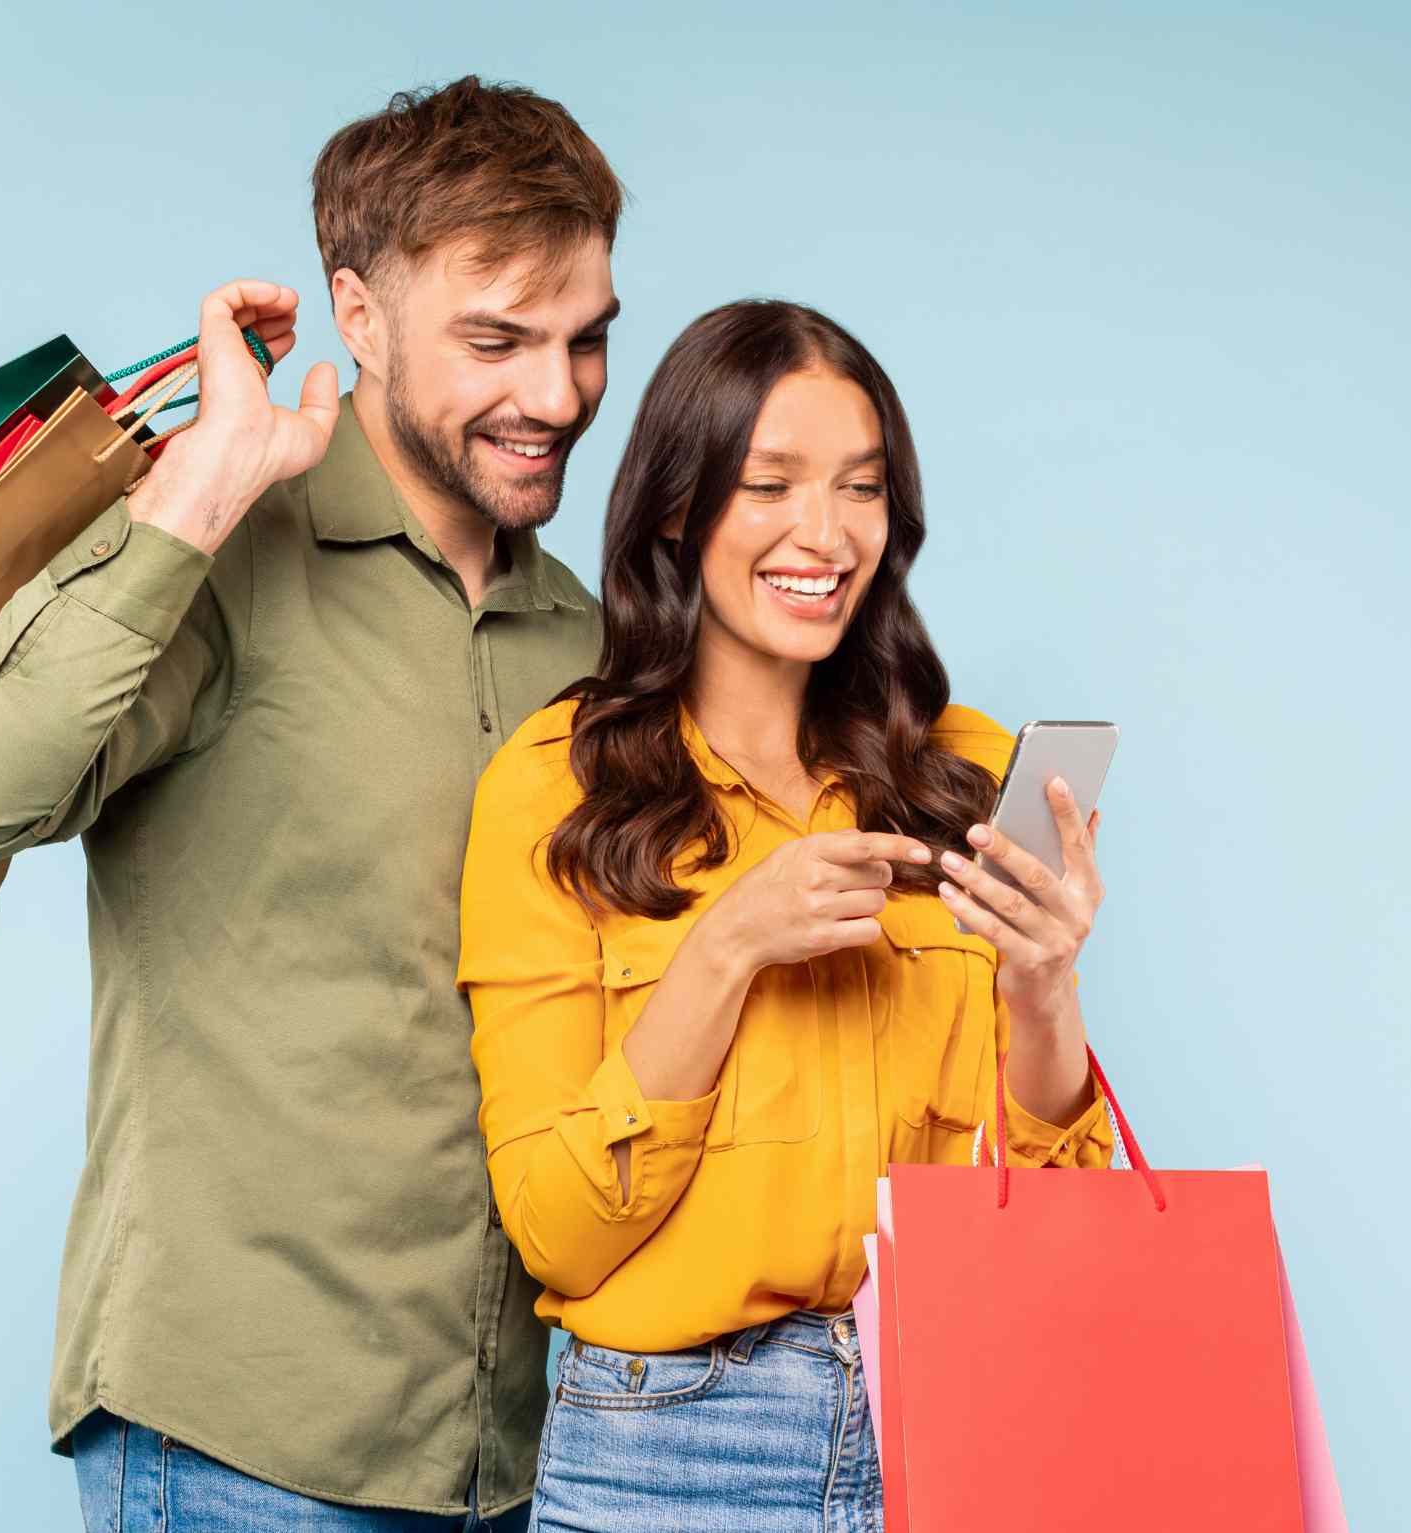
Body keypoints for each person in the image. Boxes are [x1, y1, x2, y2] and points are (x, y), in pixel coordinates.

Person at [0, 77, 621, 1531]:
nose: (556, 396)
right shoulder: (216, 556)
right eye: (497, 341)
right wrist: (199, 492)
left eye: (586, 338)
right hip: (238, 1451)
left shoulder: (586, 643)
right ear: (359, 317)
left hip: (507, 1459)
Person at [457, 299, 1119, 1531]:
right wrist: (727, 948)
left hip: (957, 1420)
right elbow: (556, 1234)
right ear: (676, 507)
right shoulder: (555, 789)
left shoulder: (966, 773)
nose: (826, 533)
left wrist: (1045, 985)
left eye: (861, 487)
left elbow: (1052, 1218)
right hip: (672, 1452)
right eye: (770, 485)